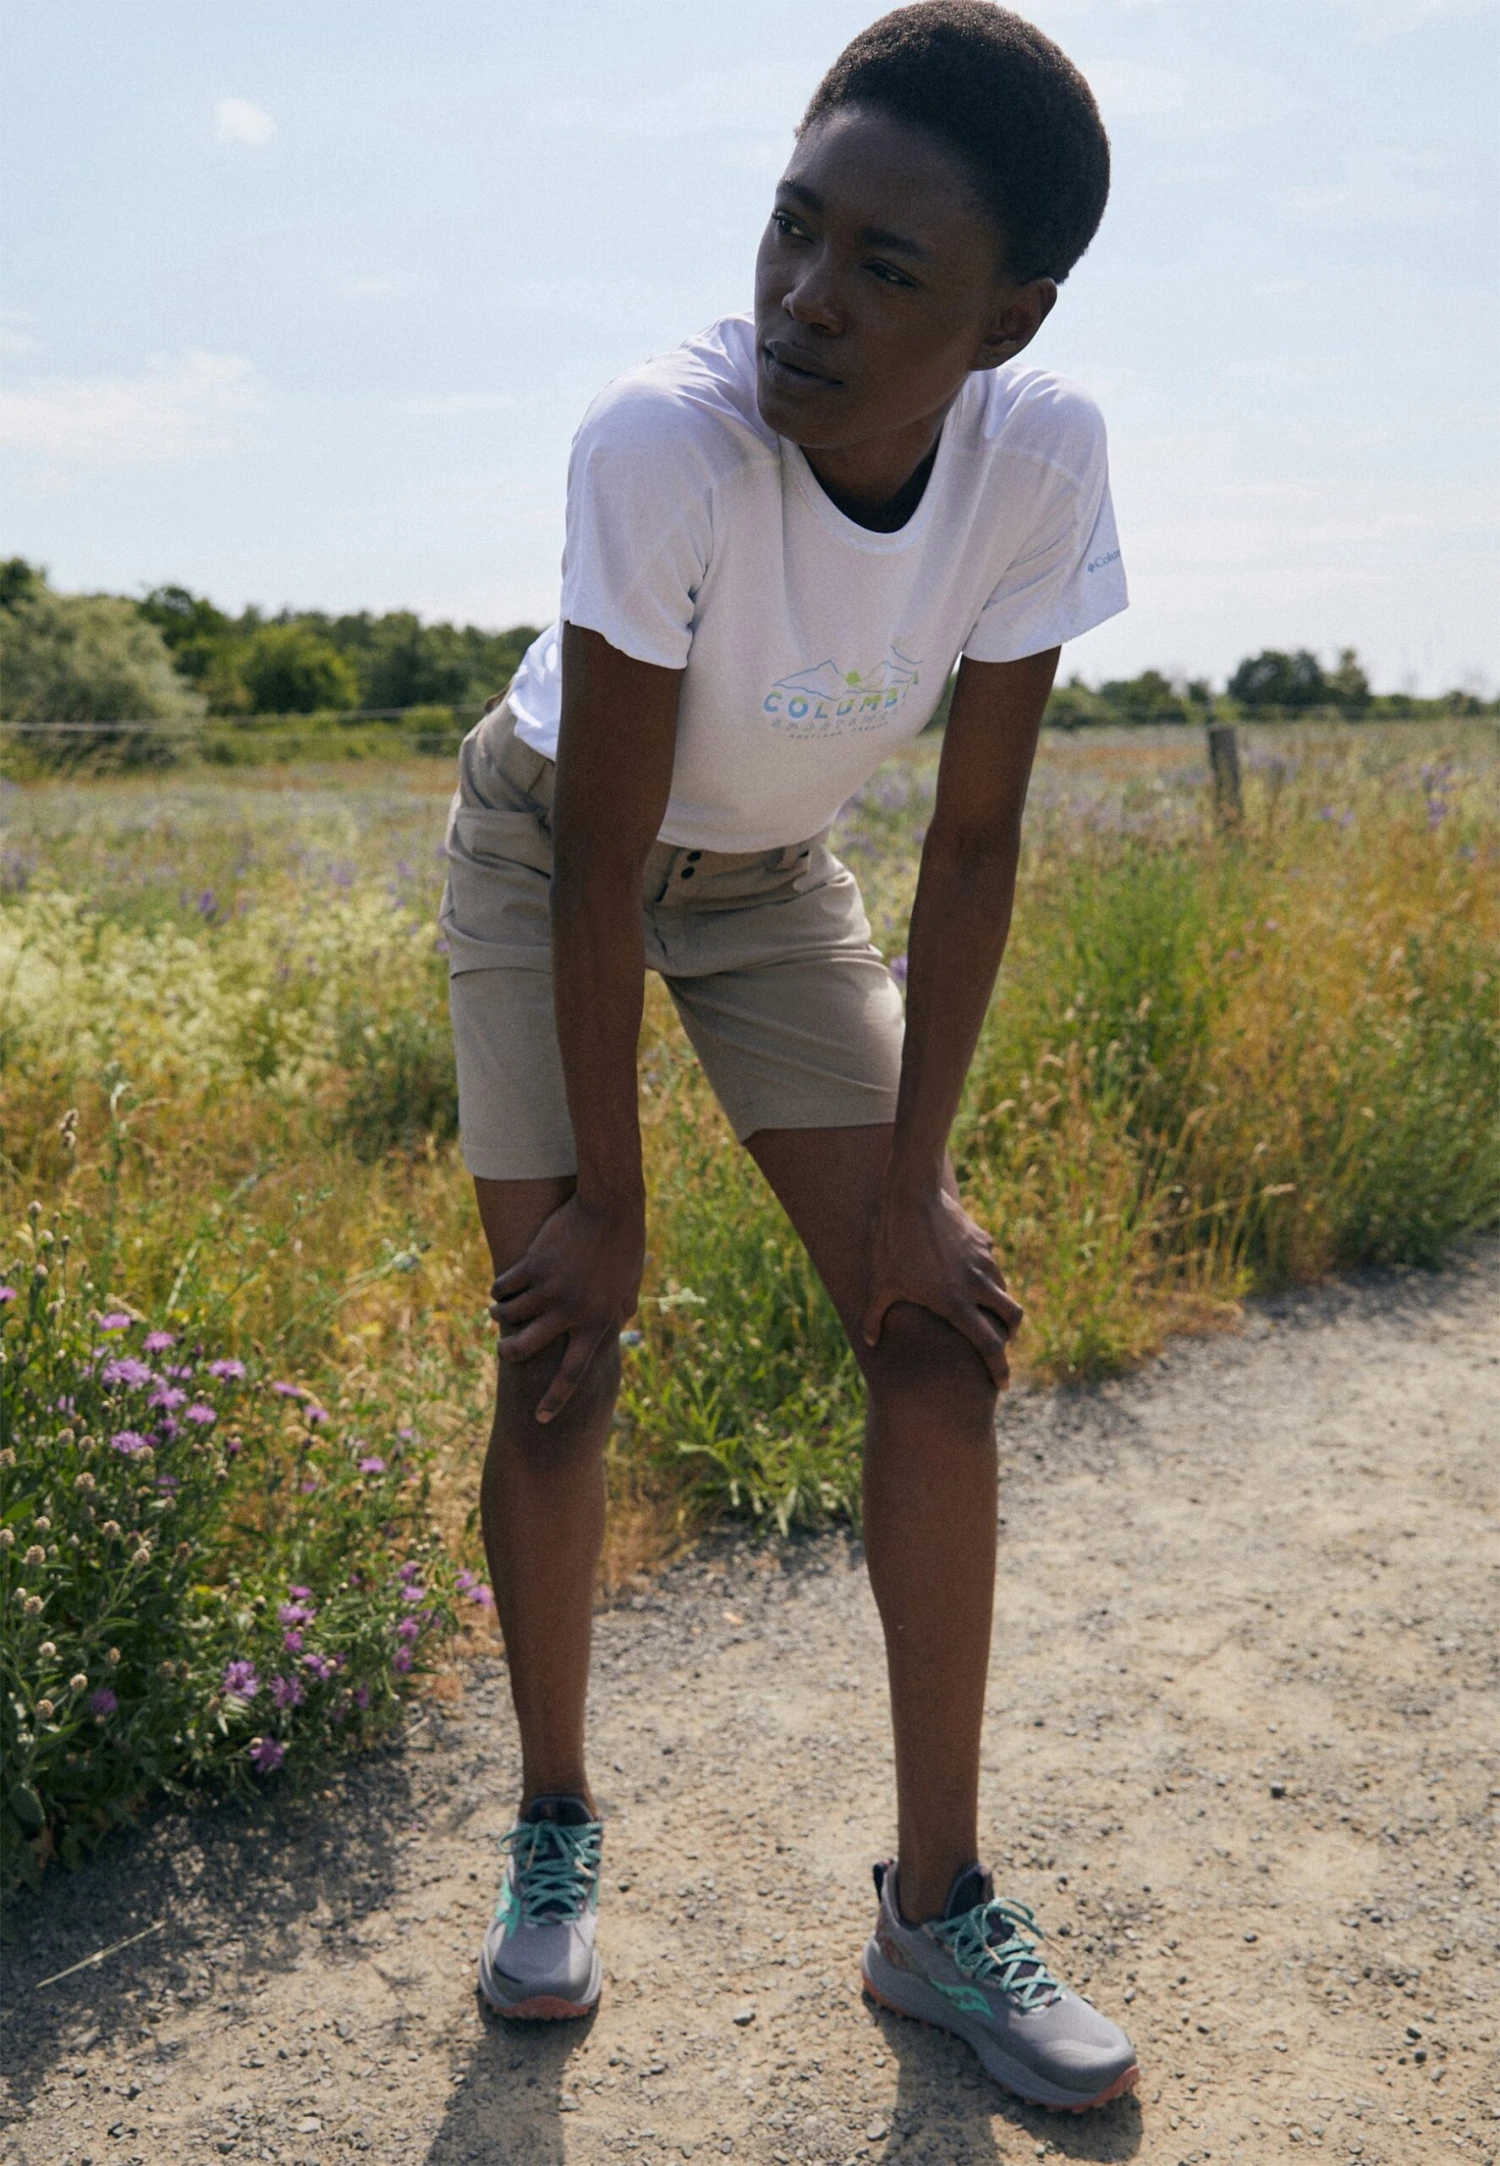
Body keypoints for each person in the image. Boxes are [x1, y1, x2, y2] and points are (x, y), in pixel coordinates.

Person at [440, 0, 1138, 2113]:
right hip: (549, 849)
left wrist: (915, 1183)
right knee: (560, 1346)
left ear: (1004, 320)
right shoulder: (660, 440)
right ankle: (554, 1824)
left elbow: (976, 840)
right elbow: (592, 862)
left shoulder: (1040, 459)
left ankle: (938, 1910)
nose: (804, 298)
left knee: (938, 1337)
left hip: (765, 883)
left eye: (881, 267)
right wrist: (614, 1205)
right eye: (792, 226)